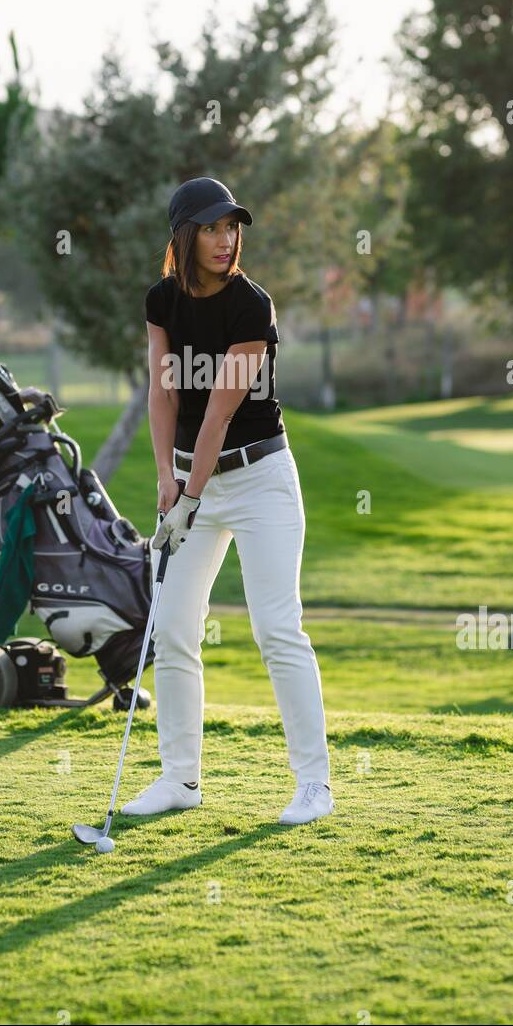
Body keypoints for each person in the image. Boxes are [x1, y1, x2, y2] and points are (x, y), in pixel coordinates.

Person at [121, 176, 334, 826]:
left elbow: (216, 414)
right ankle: (178, 780)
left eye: (231, 227)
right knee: (173, 628)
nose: (225, 239)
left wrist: (188, 493)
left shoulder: (252, 306)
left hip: (260, 481)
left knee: (276, 628)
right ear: (183, 236)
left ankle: (314, 787)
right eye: (211, 228)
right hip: (189, 484)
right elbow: (165, 392)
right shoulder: (161, 299)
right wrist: (166, 477)